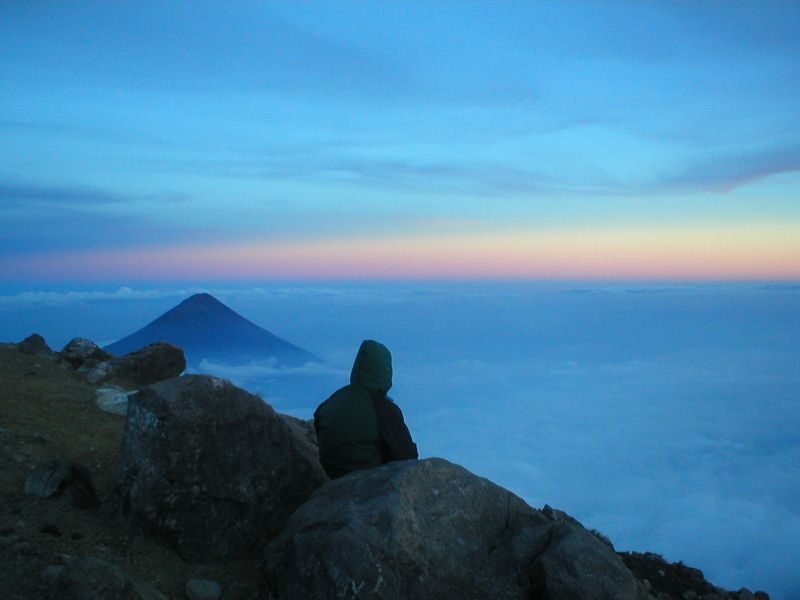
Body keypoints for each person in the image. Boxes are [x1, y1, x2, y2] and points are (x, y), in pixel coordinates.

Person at [314, 340, 418, 479]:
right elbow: (406, 457)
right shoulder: (383, 408)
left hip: (331, 480)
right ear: (385, 371)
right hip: (368, 485)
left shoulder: (331, 402)